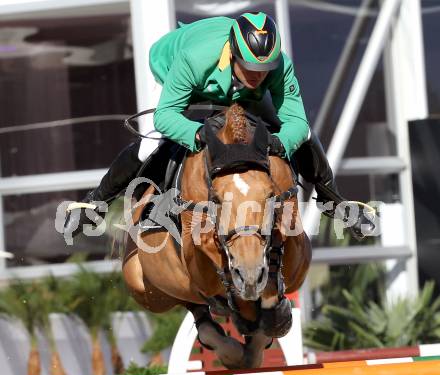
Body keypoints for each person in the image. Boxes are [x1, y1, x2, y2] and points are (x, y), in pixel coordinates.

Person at [63, 12, 375, 239]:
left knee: (305, 136)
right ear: (233, 53)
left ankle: (335, 203)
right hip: (177, 70)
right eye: (251, 66)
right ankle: (94, 205)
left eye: (264, 68)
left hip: (235, 90)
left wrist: (281, 142)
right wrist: (198, 133)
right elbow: (166, 116)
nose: (257, 75)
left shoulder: (278, 66)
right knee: (151, 144)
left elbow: (296, 121)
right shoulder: (193, 59)